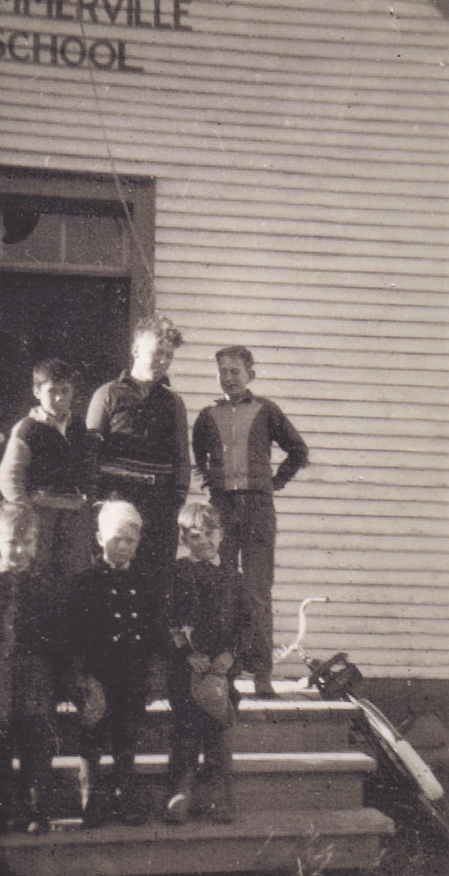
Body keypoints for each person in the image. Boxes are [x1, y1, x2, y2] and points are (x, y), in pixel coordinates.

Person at [192, 346, 308, 698]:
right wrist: (212, 482)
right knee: (223, 588)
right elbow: (198, 456)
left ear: (250, 375)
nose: (228, 377)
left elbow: (298, 450)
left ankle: (261, 674)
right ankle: (224, 671)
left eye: (235, 372)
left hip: (258, 509)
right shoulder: (207, 415)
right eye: (223, 371)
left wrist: (274, 483)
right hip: (223, 511)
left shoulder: (266, 410)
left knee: (257, 592)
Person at [0, 501, 58, 837]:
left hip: (34, 671)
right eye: (12, 542)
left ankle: (37, 812)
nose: (20, 550)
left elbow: (55, 631)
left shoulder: (43, 581)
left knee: (36, 741)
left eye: (28, 542)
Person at [64, 500, 158, 828]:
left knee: (126, 734)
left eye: (130, 540)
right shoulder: (85, 581)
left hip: (131, 674)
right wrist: (79, 677)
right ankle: (91, 796)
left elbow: (152, 631)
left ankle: (125, 794)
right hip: (97, 676)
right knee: (93, 733)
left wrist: (151, 674)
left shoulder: (146, 583)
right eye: (116, 538)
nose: (122, 546)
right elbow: (73, 636)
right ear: (99, 538)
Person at [161, 502, 252, 825]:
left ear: (222, 535)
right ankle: (180, 792)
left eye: (210, 533)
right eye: (195, 535)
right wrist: (186, 653)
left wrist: (232, 655)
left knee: (218, 733)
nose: (203, 541)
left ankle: (220, 796)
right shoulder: (176, 573)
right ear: (184, 539)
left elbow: (246, 623)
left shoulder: (233, 577)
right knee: (186, 731)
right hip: (187, 669)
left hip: (220, 671)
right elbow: (168, 619)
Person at [86, 314, 190, 575]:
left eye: (168, 356)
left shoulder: (173, 403)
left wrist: (175, 500)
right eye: (156, 353)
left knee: (156, 578)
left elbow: (181, 457)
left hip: (159, 504)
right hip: (117, 499)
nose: (163, 361)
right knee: (114, 572)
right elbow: (90, 452)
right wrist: (99, 502)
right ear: (135, 350)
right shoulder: (107, 394)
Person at [0, 357, 92, 592]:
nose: (59, 398)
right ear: (37, 392)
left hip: (72, 516)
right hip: (42, 517)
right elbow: (7, 478)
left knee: (71, 580)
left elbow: (87, 469)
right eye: (52, 391)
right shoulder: (28, 428)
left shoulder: (79, 428)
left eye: (65, 391)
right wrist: (28, 512)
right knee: (40, 578)